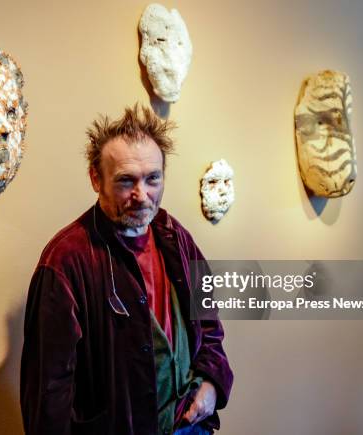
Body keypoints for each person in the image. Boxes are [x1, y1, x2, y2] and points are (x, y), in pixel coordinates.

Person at [20, 104, 233, 435]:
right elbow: (49, 394)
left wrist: (212, 383)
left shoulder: (175, 237)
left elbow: (209, 321)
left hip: (189, 426)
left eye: (153, 179)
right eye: (125, 181)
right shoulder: (65, 261)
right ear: (96, 178)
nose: (142, 195)